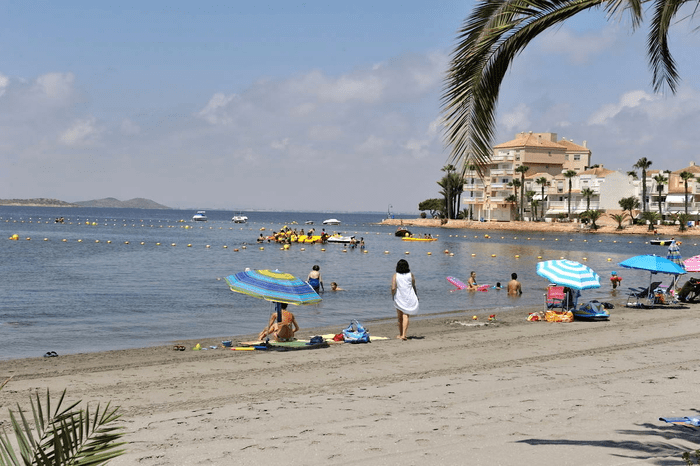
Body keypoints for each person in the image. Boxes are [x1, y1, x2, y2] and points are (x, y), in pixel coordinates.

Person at [391, 259, 419, 340]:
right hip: (409, 297)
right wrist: (416, 296)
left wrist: (393, 295)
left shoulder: (395, 276)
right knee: (406, 315)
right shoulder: (411, 275)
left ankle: (401, 334)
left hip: (399, 297)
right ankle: (404, 335)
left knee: (399, 317)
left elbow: (393, 288)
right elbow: (414, 287)